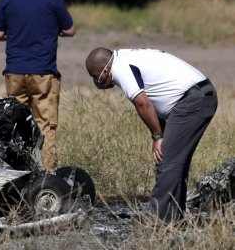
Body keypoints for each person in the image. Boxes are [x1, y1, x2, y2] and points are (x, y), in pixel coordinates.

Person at [85, 47, 217, 224]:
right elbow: (155, 102)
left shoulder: (120, 68)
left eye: (96, 76)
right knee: (174, 162)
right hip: (197, 96)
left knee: (168, 161)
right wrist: (159, 134)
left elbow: (143, 104)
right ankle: (172, 218)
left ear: (106, 70)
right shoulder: (126, 57)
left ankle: (159, 222)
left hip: (192, 100)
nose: (97, 81)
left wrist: (157, 137)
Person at [0, 0, 75, 172]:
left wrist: (13, 33)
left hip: (14, 72)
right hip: (43, 72)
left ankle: (18, 172)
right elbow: (70, 30)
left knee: (16, 124)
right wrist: (53, 30)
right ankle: (46, 175)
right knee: (45, 125)